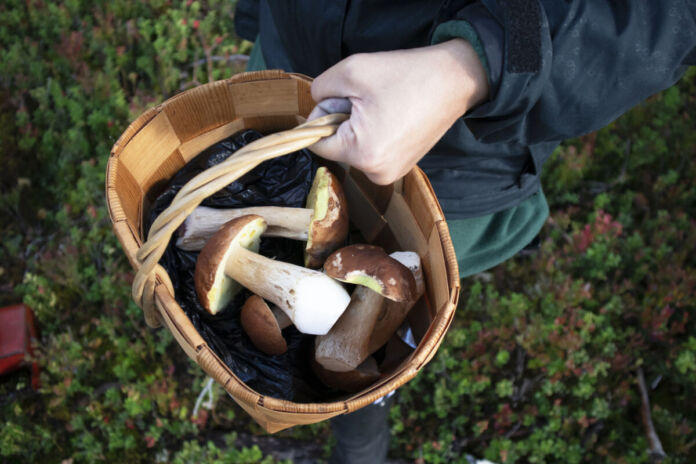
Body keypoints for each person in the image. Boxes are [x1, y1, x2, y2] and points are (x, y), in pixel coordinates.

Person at [234, 1, 696, 462]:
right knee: (284, 254)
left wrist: (473, 66)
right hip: (292, 70)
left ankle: (361, 434)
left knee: (400, 313)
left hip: (455, 157)